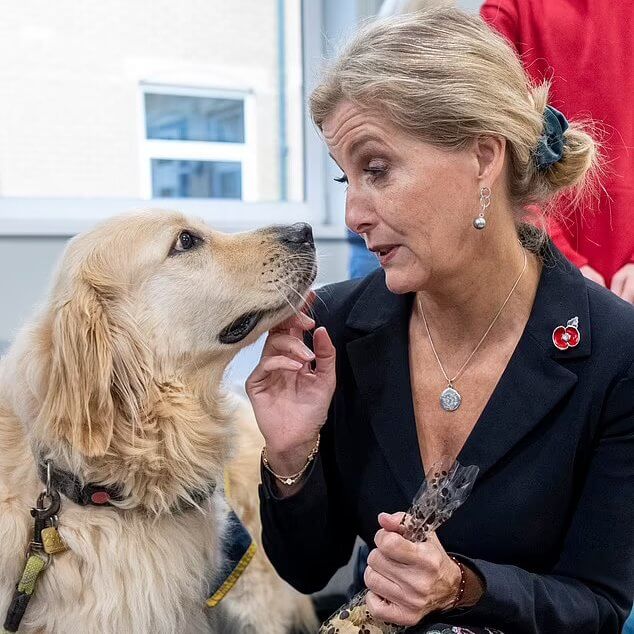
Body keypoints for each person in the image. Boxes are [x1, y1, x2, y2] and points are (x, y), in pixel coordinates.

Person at [247, 8, 634, 633]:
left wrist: (463, 587)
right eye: (347, 178)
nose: (353, 214)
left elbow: (598, 606)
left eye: (377, 170)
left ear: (483, 158)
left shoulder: (616, 352)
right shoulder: (337, 328)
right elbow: (307, 570)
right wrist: (292, 455)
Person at [481, 0, 634, 302]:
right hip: (542, 261)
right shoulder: (507, 11)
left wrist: (559, 259)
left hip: (541, 265)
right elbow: (498, 149)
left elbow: (492, 157)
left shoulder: (507, 9)